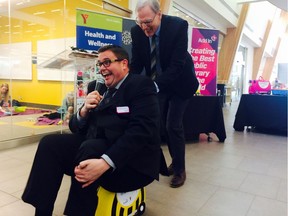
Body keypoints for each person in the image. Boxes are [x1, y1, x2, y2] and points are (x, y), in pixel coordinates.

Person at [22, 45, 162, 216]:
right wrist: (83, 111)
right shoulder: (96, 88)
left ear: (124, 64)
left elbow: (141, 132)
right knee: (50, 144)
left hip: (132, 162)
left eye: (107, 62)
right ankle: (42, 210)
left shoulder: (141, 86)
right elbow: (75, 127)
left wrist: (105, 162)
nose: (102, 68)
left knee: (90, 148)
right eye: (99, 64)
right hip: (94, 147)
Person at [130, 0, 199, 188]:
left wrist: (153, 86)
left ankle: (179, 170)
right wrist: (128, 83)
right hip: (159, 83)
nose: (144, 27)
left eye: (148, 22)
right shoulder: (136, 32)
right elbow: (137, 63)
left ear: (159, 14)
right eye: (140, 22)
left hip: (181, 84)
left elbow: (177, 66)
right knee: (157, 123)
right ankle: (165, 162)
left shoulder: (178, 26)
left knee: (172, 125)